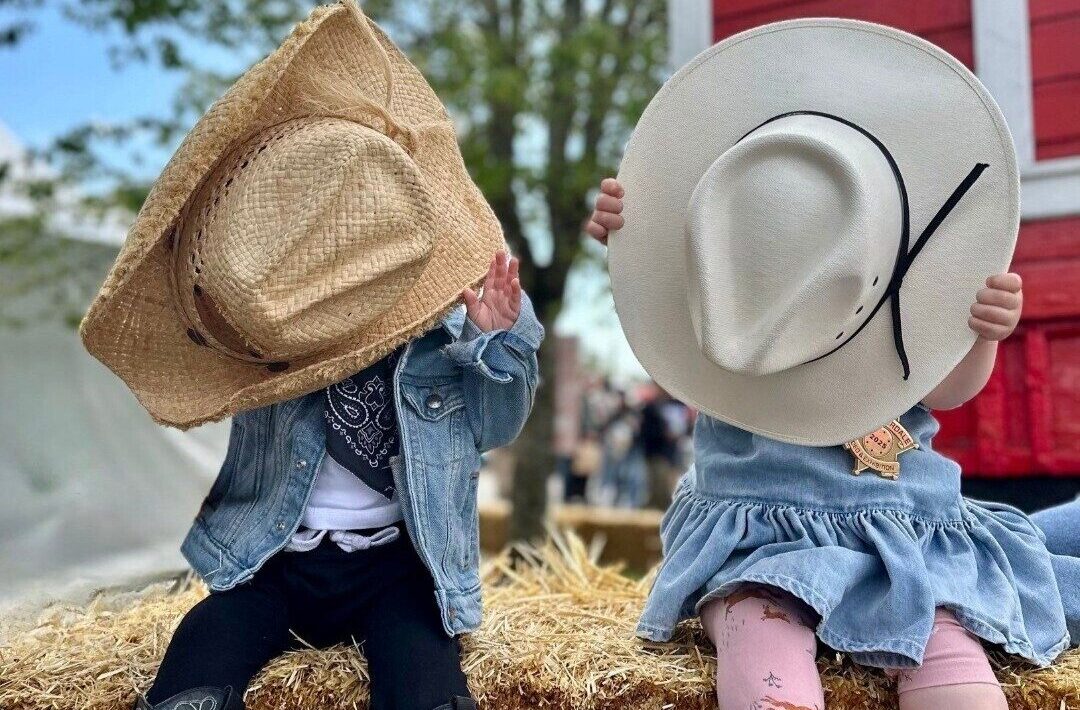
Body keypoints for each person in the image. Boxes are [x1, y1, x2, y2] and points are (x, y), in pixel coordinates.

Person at [585, 18, 1074, 707]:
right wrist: (633, 234)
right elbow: (660, 289)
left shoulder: (903, 303)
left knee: (945, 642)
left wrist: (982, 335)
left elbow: (949, 390)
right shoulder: (729, 290)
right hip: (760, 533)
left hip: (895, 528)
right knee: (761, 625)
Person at [79, 4, 543, 709]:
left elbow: (498, 426)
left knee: (429, 689)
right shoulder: (258, 332)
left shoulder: (449, 320)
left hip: (398, 565)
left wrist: (490, 342)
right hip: (271, 561)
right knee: (193, 676)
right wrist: (241, 296)